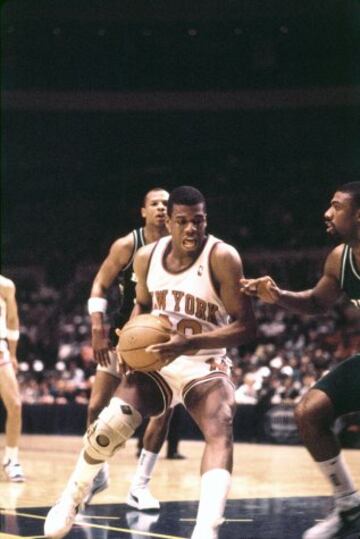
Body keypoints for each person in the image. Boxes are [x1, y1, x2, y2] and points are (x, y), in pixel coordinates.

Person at [44, 185, 257, 539]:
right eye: (183, 221)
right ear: (169, 222)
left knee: (221, 424)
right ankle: (70, 498)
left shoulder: (223, 256)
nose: (191, 229)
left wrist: (192, 342)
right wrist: (130, 339)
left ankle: (206, 530)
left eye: (198, 221)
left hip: (202, 362)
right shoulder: (145, 257)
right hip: (158, 360)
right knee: (109, 423)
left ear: (206, 221)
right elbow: (141, 304)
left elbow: (246, 327)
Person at [240, 181, 360, 539]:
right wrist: (277, 296)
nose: (327, 212)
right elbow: (315, 303)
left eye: (336, 206)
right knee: (309, 412)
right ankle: (350, 507)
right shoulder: (340, 259)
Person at [86, 187, 177, 510]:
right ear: (143, 211)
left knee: (162, 412)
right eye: (155, 204)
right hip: (121, 332)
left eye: (167, 204)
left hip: (162, 338)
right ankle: (97, 472)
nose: (161, 209)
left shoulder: (182, 245)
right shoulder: (127, 244)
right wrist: (97, 328)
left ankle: (140, 486)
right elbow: (99, 284)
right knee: (96, 406)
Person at [0, 275, 25, 482]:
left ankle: (11, 459)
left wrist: (14, 353)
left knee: (15, 405)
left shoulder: (6, 285)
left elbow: (12, 320)